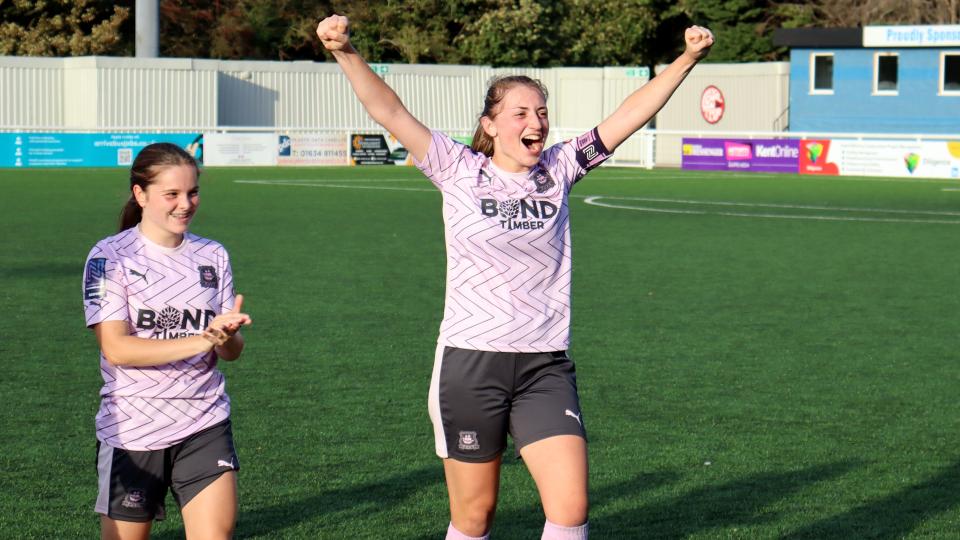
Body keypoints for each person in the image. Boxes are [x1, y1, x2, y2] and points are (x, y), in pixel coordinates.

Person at [317, 15, 713, 540]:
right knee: (474, 518)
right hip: (470, 363)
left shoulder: (561, 168)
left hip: (543, 365)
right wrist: (344, 50)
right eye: (522, 112)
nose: (537, 122)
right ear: (490, 124)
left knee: (570, 508)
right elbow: (389, 110)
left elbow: (631, 113)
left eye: (542, 112)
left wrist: (686, 59)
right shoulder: (455, 167)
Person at [82, 142, 252, 540]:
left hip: (204, 421)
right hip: (134, 429)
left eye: (192, 192)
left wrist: (225, 337)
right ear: (140, 195)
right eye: (171, 194)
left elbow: (232, 350)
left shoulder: (213, 255)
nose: (185, 204)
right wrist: (201, 340)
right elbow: (117, 348)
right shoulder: (109, 258)